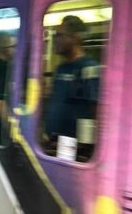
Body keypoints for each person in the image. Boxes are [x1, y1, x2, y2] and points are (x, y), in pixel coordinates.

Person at [43, 15, 100, 152]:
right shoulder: (61, 68)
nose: (56, 40)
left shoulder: (89, 67)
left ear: (75, 37)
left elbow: (94, 109)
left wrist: (84, 144)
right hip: (53, 141)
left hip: (74, 146)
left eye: (60, 35)